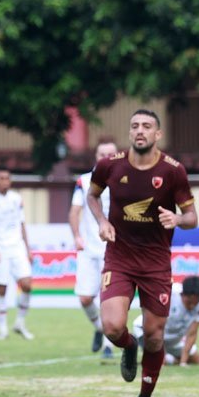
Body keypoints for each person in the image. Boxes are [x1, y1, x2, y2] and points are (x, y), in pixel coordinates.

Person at [86, 109, 198, 397]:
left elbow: (192, 217)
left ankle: (145, 395)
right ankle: (128, 346)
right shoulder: (110, 165)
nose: (140, 130)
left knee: (154, 335)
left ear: (157, 134)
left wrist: (177, 218)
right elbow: (92, 196)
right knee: (111, 327)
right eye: (134, 125)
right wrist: (101, 222)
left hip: (155, 263)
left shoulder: (173, 171)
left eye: (147, 126)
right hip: (119, 257)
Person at [69, 137, 118, 358]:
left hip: (115, 251)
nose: (106, 158)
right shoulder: (84, 181)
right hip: (89, 249)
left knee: (108, 300)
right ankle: (100, 328)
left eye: (110, 154)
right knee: (85, 298)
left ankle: (108, 346)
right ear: (96, 157)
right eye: (101, 154)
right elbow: (74, 211)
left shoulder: (125, 181)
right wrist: (77, 236)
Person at [0, 166, 35, 340]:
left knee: (27, 284)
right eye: (2, 178)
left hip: (17, 248)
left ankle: (19, 323)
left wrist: (28, 249)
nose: (5, 181)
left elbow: (22, 224)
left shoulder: (17, 199)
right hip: (0, 249)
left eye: (7, 178)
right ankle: (2, 329)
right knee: (1, 289)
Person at [131, 276, 199, 366]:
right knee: (159, 362)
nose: (192, 306)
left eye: (196, 303)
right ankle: (133, 346)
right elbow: (156, 323)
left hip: (174, 338)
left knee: (197, 361)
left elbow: (192, 333)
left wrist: (183, 363)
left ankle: (170, 359)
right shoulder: (168, 293)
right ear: (182, 294)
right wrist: (161, 353)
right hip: (148, 330)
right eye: (189, 302)